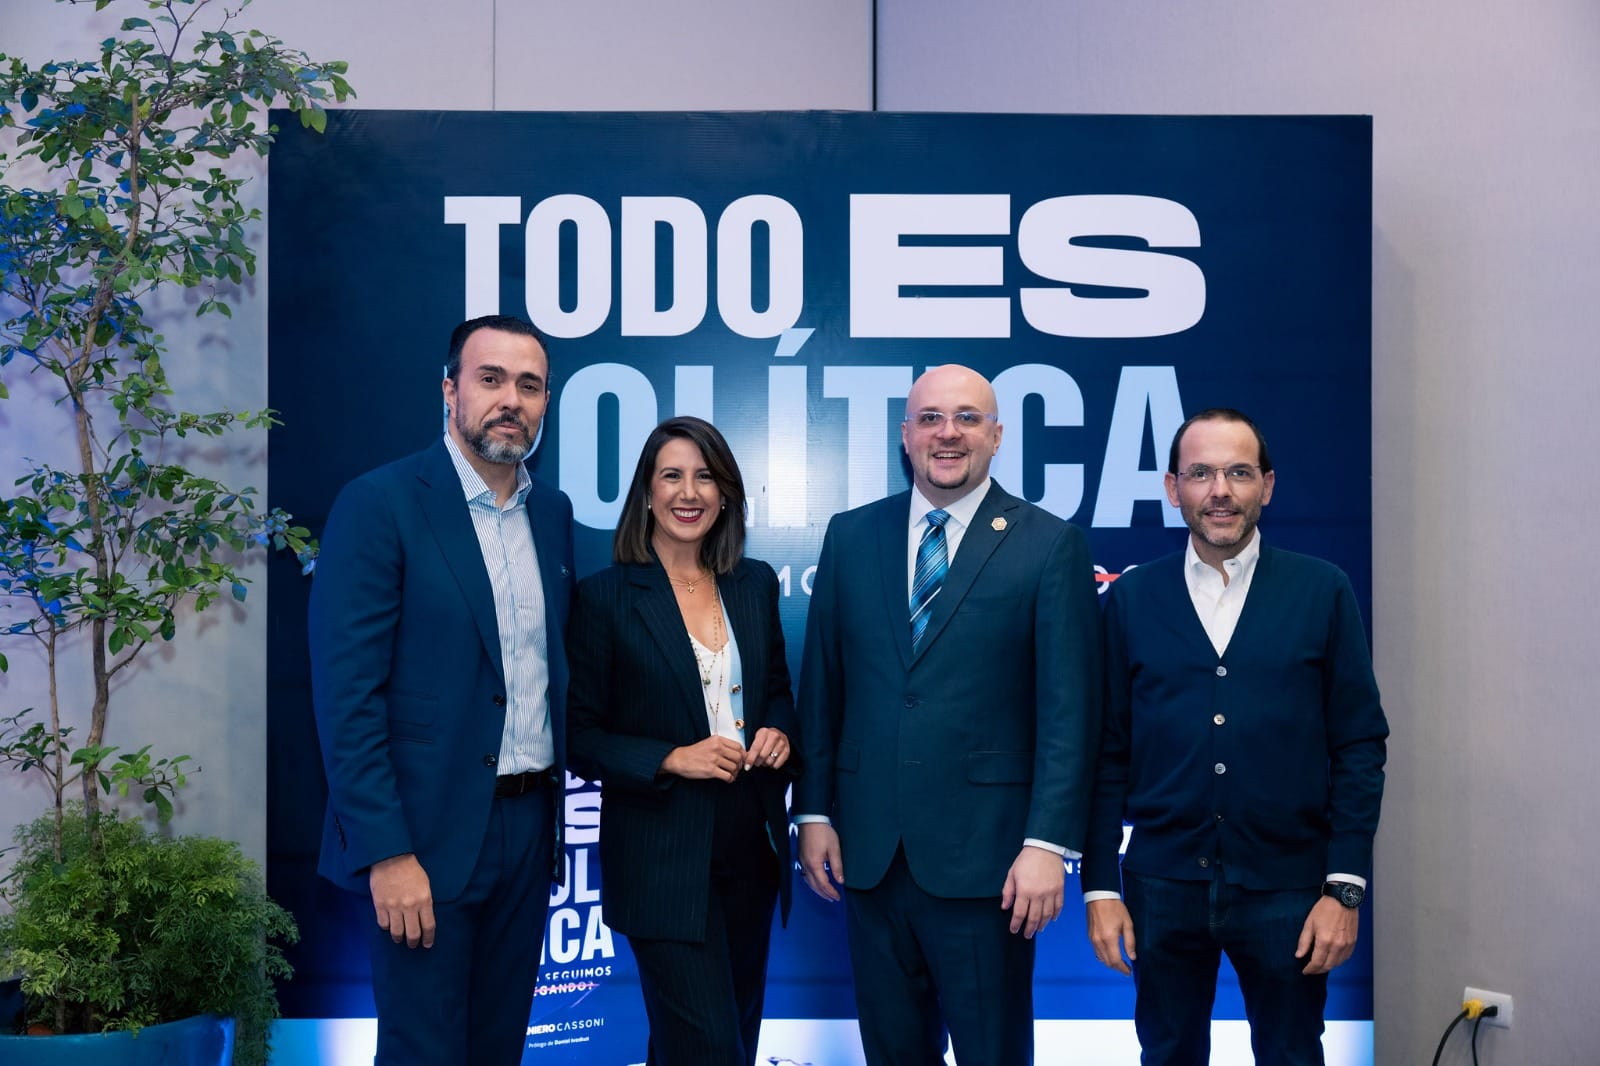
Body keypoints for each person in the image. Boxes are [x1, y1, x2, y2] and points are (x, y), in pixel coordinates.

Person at [794, 364, 1102, 1065]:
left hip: (990, 865)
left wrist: (1047, 844)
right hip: (871, 858)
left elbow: (1070, 712)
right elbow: (824, 688)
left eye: (968, 418)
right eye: (930, 418)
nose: (948, 433)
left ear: (997, 436)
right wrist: (812, 811)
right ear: (905, 435)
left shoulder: (1049, 543)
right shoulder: (851, 535)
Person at [1081, 407, 1389, 1066]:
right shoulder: (1131, 600)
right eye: (1201, 473)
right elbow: (1105, 754)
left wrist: (1345, 890)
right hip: (1162, 886)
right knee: (1167, 1053)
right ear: (1174, 489)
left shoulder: (1322, 591)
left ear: (1266, 486)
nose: (1219, 491)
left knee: (1292, 1054)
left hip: (1290, 889)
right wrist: (1101, 888)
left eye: (1239, 473)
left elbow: (1359, 746)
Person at [308, 315, 574, 1065]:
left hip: (528, 832)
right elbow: (347, 697)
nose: (511, 400)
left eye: (529, 386)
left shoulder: (551, 514)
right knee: (423, 1051)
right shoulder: (381, 502)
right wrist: (387, 853)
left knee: (499, 1048)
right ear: (450, 391)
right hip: (421, 839)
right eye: (491, 379)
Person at [567, 416, 798, 1066]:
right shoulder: (604, 597)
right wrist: (671, 757)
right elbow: (579, 736)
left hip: (752, 850)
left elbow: (777, 690)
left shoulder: (753, 583)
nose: (689, 492)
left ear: (726, 494)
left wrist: (778, 732)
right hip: (661, 860)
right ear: (647, 492)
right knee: (709, 1049)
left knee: (728, 1040)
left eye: (705, 477)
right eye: (672, 476)